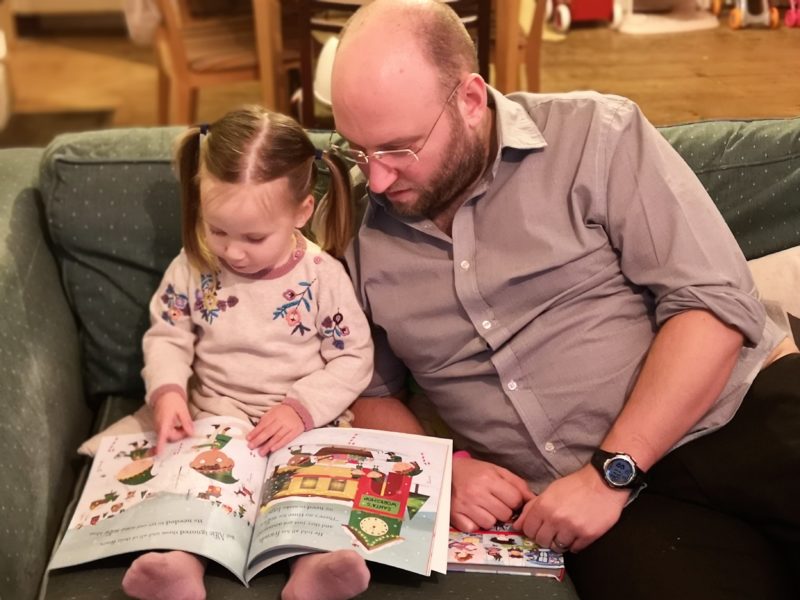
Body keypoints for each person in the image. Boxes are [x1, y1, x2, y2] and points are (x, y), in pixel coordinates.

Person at [327, 1, 800, 599]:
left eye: (399, 149)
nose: (377, 179)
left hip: (740, 414)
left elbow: (712, 304)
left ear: (471, 100)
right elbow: (368, 390)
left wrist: (611, 473)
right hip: (596, 512)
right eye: (356, 150)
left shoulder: (595, 136)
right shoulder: (348, 226)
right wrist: (441, 471)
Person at [119, 105, 374, 600]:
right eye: (218, 230)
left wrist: (301, 408)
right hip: (220, 413)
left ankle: (313, 569)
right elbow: (168, 334)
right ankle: (180, 565)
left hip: (304, 421)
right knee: (201, 487)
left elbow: (353, 357)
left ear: (302, 212)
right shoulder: (194, 266)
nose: (233, 252)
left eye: (254, 237)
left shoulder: (322, 276)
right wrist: (167, 390)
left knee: (311, 488)